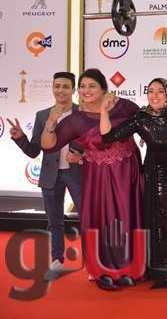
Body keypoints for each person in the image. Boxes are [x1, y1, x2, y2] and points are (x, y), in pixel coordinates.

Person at [40, 68, 143, 290]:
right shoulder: (76, 120)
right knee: (102, 220)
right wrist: (50, 124)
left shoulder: (123, 106)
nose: (86, 91)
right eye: (82, 87)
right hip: (98, 178)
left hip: (127, 173)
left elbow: (144, 122)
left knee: (128, 216)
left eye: (92, 86)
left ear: (104, 89)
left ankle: (133, 267)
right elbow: (49, 146)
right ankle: (104, 269)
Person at [100, 78, 167, 289]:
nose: (154, 95)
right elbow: (108, 136)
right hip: (158, 175)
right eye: (150, 91)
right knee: (161, 223)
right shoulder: (141, 118)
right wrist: (104, 111)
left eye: (160, 91)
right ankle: (163, 272)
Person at [8, 72, 83, 279]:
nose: (60, 90)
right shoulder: (42, 115)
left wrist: (82, 157)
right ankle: (57, 260)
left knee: (88, 219)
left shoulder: (83, 113)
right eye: (57, 86)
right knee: (54, 221)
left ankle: (93, 262)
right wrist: (20, 138)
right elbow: (34, 151)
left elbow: (93, 145)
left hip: (78, 174)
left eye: (65, 86)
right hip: (51, 175)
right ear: (52, 88)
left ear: (73, 90)